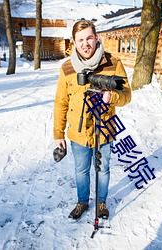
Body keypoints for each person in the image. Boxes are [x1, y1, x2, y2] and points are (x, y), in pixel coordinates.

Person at [53, 20, 131, 220]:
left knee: (103, 168)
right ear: (74, 42)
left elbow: (127, 95)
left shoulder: (113, 63)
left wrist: (112, 96)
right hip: (78, 132)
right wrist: (58, 134)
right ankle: (82, 202)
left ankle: (102, 202)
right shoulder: (67, 68)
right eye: (80, 40)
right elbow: (61, 102)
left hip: (105, 129)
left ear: (96, 38)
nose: (85, 43)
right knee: (81, 170)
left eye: (89, 38)